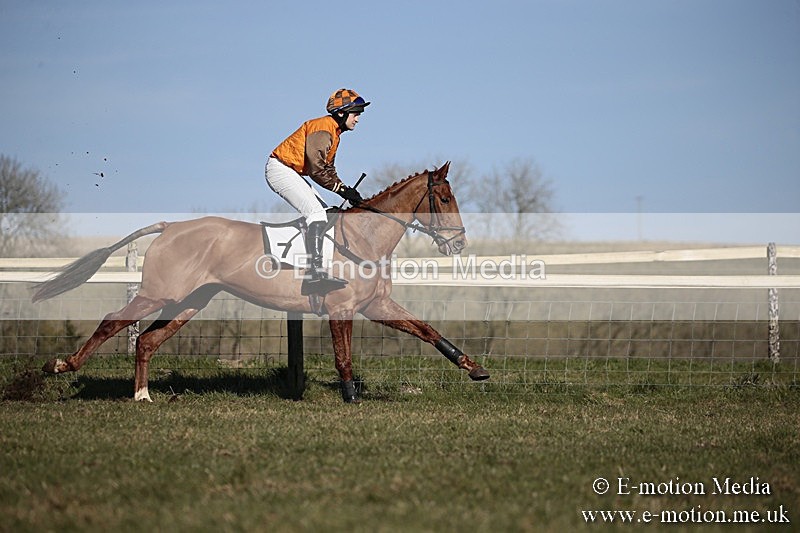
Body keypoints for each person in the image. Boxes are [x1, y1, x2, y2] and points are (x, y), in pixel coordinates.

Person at [265, 88, 369, 293]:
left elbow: (328, 169)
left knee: (327, 213)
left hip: (291, 171)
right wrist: (341, 190)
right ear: (341, 113)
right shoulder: (323, 128)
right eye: (355, 113)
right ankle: (313, 273)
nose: (358, 119)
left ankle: (316, 265)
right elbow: (316, 168)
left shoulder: (334, 132)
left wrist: (346, 189)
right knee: (316, 213)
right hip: (280, 169)